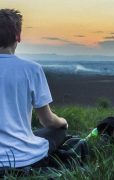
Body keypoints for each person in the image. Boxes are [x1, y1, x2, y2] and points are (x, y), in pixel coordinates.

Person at [0, 9, 68, 168]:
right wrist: (63, 122)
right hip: (21, 158)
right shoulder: (32, 69)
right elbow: (48, 121)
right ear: (18, 36)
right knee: (58, 130)